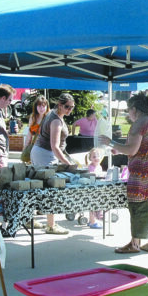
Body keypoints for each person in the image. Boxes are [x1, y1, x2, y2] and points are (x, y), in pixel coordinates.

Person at [99, 93, 148, 254]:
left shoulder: (140, 124)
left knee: (139, 207)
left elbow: (132, 150)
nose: (128, 113)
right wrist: (119, 149)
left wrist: (110, 142)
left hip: (145, 174)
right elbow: (141, 146)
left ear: (135, 109)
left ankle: (135, 244)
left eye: (128, 110)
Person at [31, 93, 77, 235]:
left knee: (37, 186)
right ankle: (51, 225)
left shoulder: (52, 114)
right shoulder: (56, 121)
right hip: (46, 154)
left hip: (41, 152)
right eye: (67, 107)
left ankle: (29, 218)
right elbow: (55, 147)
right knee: (51, 189)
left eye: (72, 107)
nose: (70, 110)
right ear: (60, 105)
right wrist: (67, 163)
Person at [85, 147, 104, 229]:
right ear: (90, 158)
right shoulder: (90, 167)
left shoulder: (99, 166)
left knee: (95, 204)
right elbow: (91, 177)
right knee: (92, 205)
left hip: (97, 188)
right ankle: (92, 222)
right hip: (92, 189)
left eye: (98, 156)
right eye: (94, 157)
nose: (96, 158)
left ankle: (92, 220)